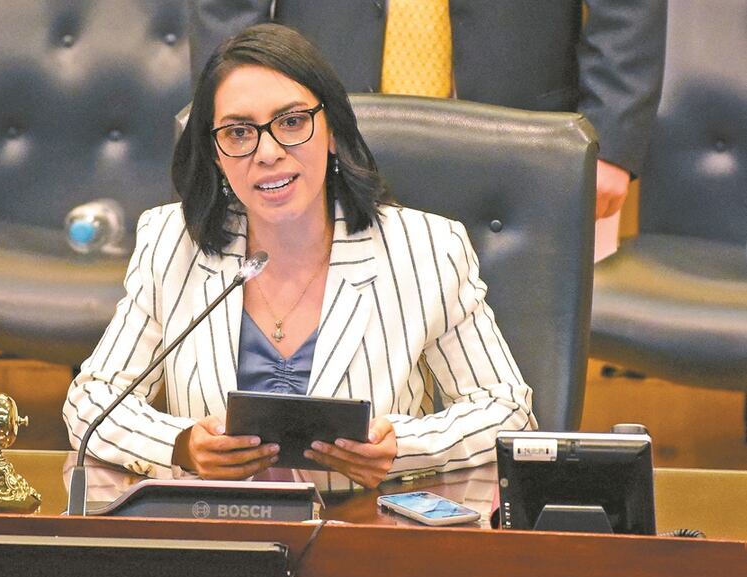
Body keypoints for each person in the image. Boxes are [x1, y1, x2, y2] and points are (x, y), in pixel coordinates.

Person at [64, 24, 536, 490]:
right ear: (214, 152)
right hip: (215, 533)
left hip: (361, 533)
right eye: (238, 132)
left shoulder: (429, 249)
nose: (267, 152)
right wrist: (180, 445)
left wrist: (403, 449)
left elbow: (506, 410)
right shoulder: (172, 241)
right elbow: (91, 401)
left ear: (332, 130)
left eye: (291, 122)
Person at [188, 0, 667, 221]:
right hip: (316, 126)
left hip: (520, 134)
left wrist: (610, 135)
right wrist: (237, 124)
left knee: (511, 379)